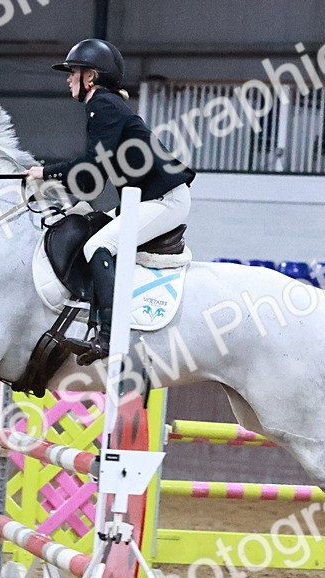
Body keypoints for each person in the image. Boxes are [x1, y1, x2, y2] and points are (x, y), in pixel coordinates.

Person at [26, 38, 196, 365]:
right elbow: (93, 179)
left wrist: (45, 172)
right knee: (93, 226)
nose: (67, 79)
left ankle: (108, 335)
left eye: (72, 72)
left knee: (97, 247)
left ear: (90, 77)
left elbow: (90, 167)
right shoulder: (104, 105)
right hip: (145, 197)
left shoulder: (101, 105)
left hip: (164, 199)